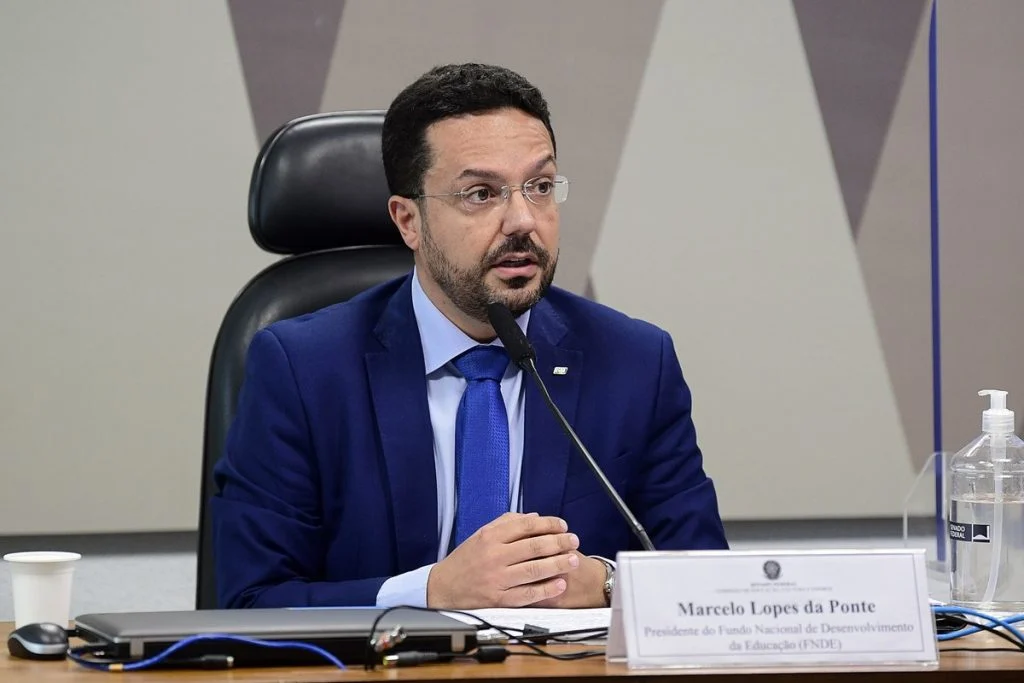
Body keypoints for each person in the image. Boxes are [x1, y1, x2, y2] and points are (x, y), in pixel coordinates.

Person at [211, 63, 728, 611]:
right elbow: (252, 601)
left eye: (541, 186)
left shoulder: (634, 363)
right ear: (408, 221)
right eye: (481, 194)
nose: (523, 221)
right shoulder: (302, 369)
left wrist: (605, 582)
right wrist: (431, 592)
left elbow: (708, 590)